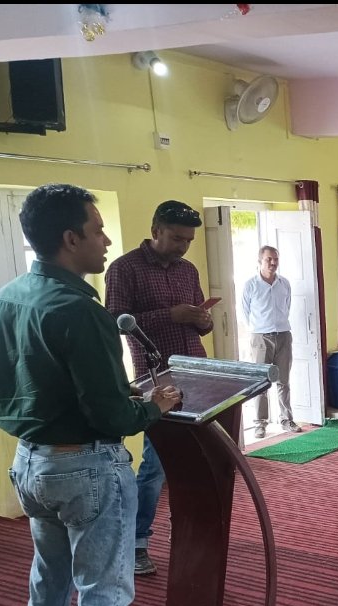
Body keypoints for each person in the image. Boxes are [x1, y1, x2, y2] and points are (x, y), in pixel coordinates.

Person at [0, 183, 189, 606]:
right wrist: (155, 405)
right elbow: (112, 415)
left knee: (47, 584)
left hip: (30, 464)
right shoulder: (82, 311)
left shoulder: (4, 300)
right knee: (104, 591)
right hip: (86, 468)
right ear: (70, 238)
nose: (105, 240)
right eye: (97, 230)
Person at [104, 199, 212, 577]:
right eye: (177, 238)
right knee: (155, 465)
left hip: (195, 370)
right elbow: (114, 321)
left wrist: (201, 319)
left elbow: (200, 323)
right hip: (155, 378)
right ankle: (136, 544)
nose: (183, 246)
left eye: (188, 240)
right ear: (155, 231)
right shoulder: (124, 269)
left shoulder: (188, 269)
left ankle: (195, 536)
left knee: (199, 458)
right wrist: (171, 315)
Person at [241, 245, 302, 439]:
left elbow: (287, 307)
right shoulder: (250, 285)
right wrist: (257, 329)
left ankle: (287, 419)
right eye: (269, 259)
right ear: (260, 261)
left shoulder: (284, 283)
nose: (273, 263)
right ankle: (260, 423)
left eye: (276, 259)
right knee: (261, 382)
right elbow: (244, 312)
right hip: (260, 337)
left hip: (283, 334)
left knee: (284, 380)